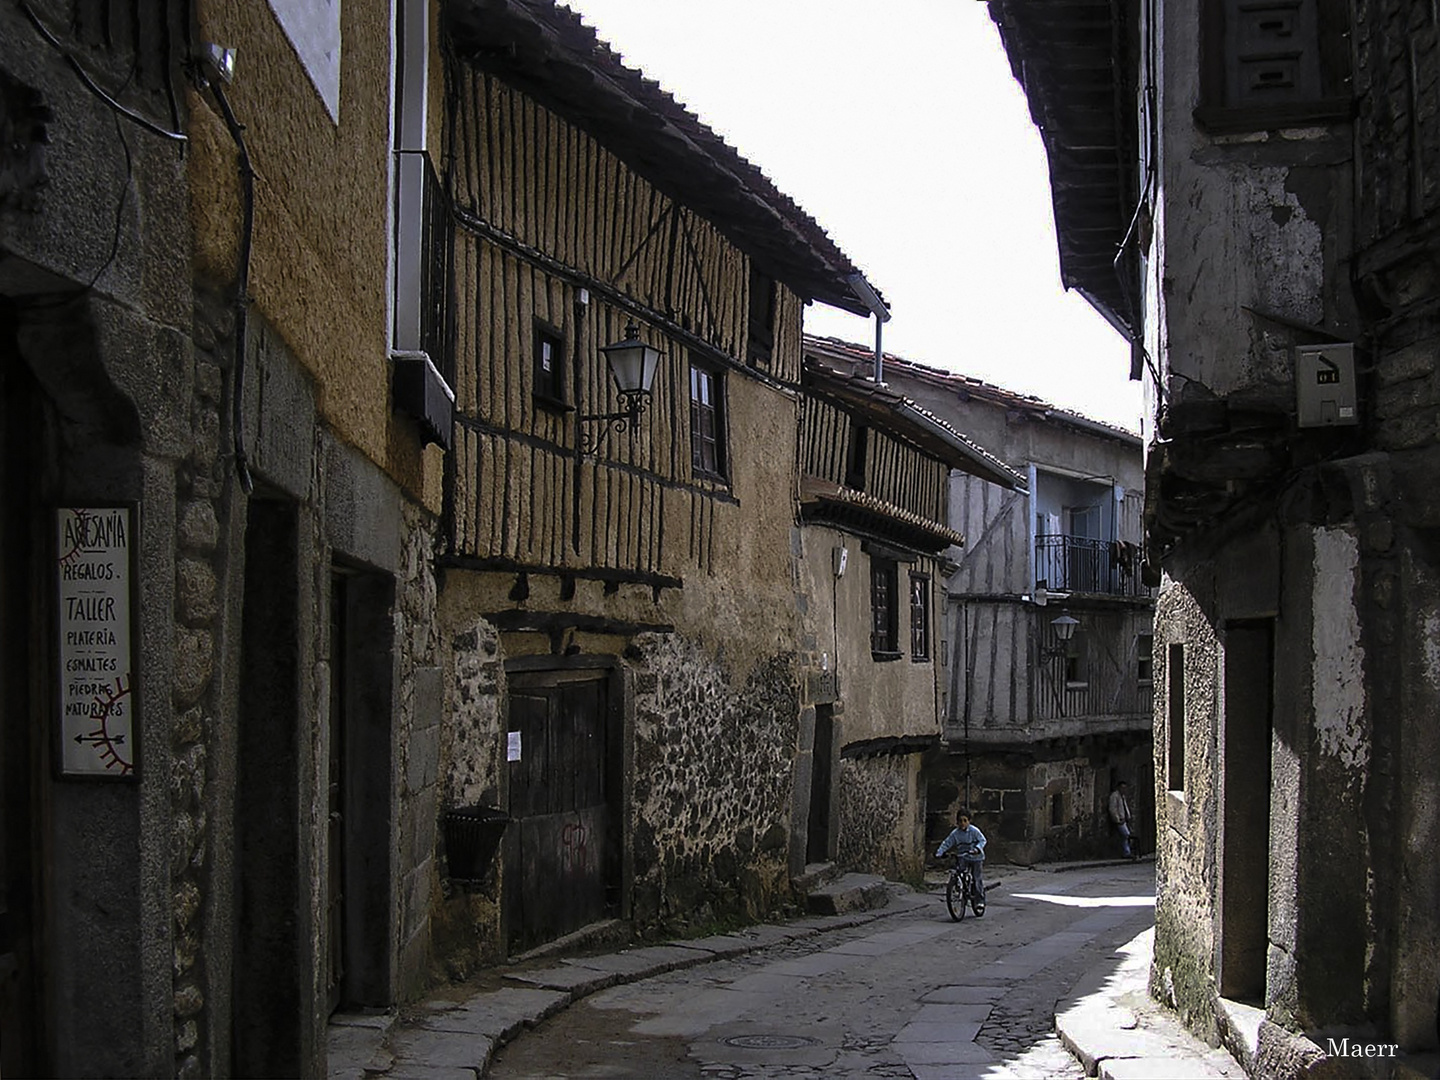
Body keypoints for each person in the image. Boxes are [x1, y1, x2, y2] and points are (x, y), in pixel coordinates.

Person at [935, 808, 986, 912]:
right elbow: (947, 843)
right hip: (963, 856)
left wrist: (977, 849)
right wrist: (939, 852)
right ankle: (959, 888)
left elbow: (982, 840)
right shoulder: (955, 833)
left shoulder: (974, 831)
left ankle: (979, 900)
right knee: (958, 871)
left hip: (976, 858)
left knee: (977, 878)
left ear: (969, 821)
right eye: (960, 821)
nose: (962, 823)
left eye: (965, 820)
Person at [1109, 780, 1135, 859]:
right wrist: (1117, 819)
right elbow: (1112, 808)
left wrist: (1128, 816)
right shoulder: (1114, 796)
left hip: (1124, 819)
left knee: (1126, 836)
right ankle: (1127, 852)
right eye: (1122, 788)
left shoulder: (1122, 797)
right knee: (1126, 834)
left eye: (1125, 788)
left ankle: (1127, 851)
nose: (1124, 790)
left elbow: (1124, 807)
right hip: (1120, 820)